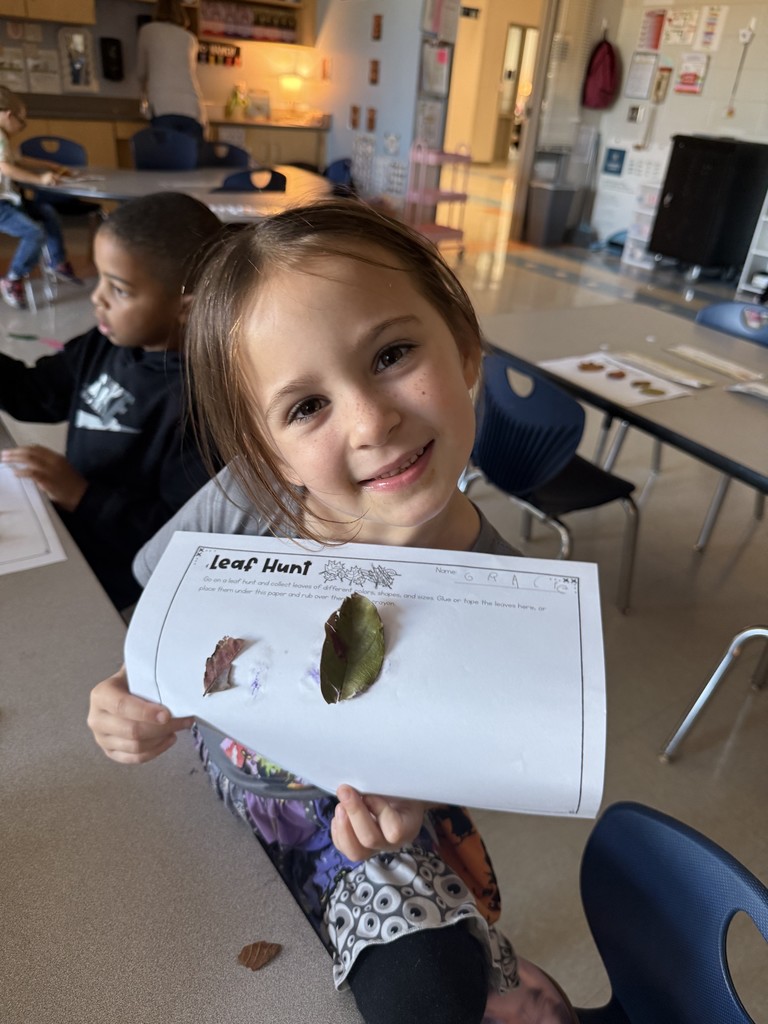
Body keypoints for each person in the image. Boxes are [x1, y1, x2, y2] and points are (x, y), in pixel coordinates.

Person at [87, 201, 577, 1024]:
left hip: (349, 833)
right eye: (305, 406)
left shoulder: (506, 599)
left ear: (462, 343)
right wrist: (128, 687)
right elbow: (163, 606)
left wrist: (411, 798)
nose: (371, 420)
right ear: (264, 442)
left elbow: (460, 751)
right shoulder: (250, 496)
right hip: (218, 781)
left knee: (423, 989)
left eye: (391, 354)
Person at [0, 191, 222, 612]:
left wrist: (83, 495)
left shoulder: (203, 405)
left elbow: (178, 537)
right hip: (72, 537)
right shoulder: (106, 345)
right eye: (101, 278)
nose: (96, 298)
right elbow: (39, 395)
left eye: (118, 289)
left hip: (122, 586)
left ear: (187, 308)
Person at [0, 85, 82, 310]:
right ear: (8, 115)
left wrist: (50, 165)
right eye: (22, 122)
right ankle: (13, 278)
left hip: (10, 201)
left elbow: (18, 160)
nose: (22, 128)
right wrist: (41, 180)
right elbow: (6, 167)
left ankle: (58, 262)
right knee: (33, 232)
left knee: (47, 213)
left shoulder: (4, 137)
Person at [137, 0, 207, 145]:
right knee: (193, 161)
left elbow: (141, 72)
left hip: (163, 106)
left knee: (167, 161)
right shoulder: (190, 38)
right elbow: (190, 73)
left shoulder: (147, 31)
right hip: (193, 108)